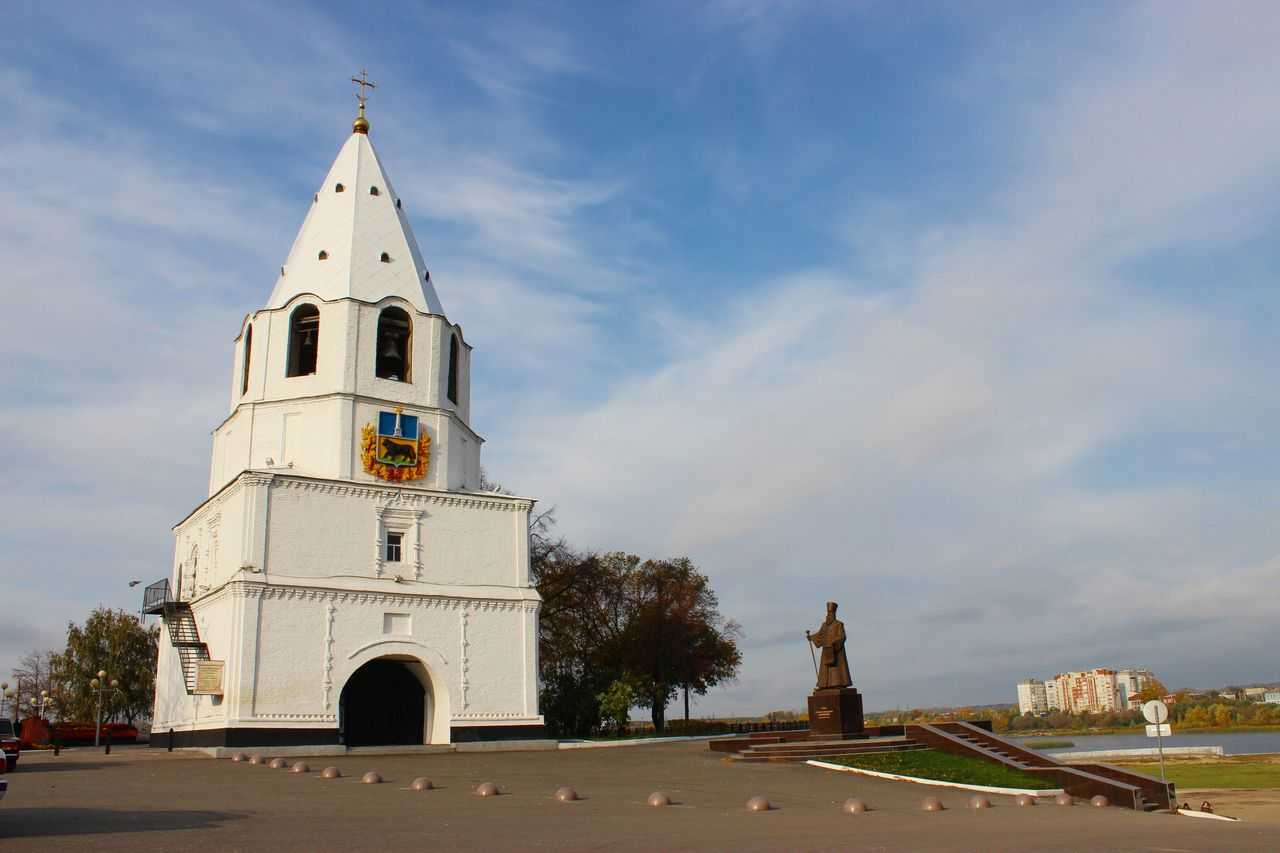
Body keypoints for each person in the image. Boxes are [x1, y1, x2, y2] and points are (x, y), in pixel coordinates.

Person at [807, 601, 852, 690]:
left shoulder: (839, 624)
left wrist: (833, 643)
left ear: (834, 613)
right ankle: (824, 685)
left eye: (831, 613)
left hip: (836, 651)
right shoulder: (824, 625)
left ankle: (839, 683)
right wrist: (811, 637)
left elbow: (842, 636)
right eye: (828, 613)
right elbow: (820, 635)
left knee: (837, 670)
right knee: (825, 669)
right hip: (826, 651)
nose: (829, 614)